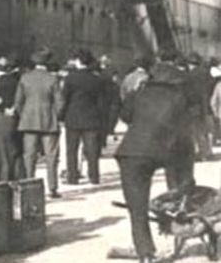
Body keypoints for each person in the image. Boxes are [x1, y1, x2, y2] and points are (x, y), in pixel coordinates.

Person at [115, 56, 198, 263]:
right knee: (178, 192)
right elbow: (185, 133)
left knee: (137, 207)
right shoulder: (179, 97)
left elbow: (125, 115)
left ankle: (145, 253)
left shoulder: (139, 93)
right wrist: (187, 176)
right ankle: (178, 225)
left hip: (132, 153)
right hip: (166, 150)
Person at [14, 47, 63, 198]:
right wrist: (55, 115)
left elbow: (18, 102)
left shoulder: (25, 78)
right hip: (49, 120)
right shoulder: (52, 78)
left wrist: (24, 115)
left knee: (29, 155)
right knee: (51, 156)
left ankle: (29, 185)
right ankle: (53, 187)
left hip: (28, 121)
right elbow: (60, 102)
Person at [61, 50, 105, 185]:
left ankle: (72, 176)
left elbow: (65, 99)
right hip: (91, 118)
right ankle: (94, 176)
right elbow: (101, 100)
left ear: (78, 61)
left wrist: (62, 116)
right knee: (92, 149)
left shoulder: (70, 78)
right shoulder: (96, 79)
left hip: (73, 117)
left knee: (72, 149)